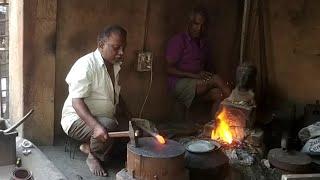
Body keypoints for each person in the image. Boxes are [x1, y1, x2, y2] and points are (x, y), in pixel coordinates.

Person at [61, 25, 130, 177]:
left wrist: (131, 119)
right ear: (101, 45)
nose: (121, 53)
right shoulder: (86, 65)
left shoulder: (115, 66)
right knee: (108, 126)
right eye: (116, 47)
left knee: (129, 134)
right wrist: (96, 127)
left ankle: (88, 146)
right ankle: (93, 156)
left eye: (123, 48)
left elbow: (116, 95)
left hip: (101, 117)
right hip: (76, 119)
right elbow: (76, 103)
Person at [166, 7, 231, 119]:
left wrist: (204, 74)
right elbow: (168, 69)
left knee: (218, 94)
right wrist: (195, 76)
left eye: (203, 25)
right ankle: (237, 103)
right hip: (178, 84)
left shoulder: (203, 43)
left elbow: (205, 68)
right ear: (189, 24)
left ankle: (214, 127)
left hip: (196, 84)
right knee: (216, 79)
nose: (199, 29)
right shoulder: (179, 40)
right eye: (196, 24)